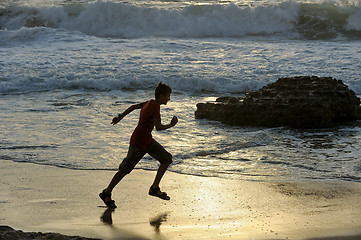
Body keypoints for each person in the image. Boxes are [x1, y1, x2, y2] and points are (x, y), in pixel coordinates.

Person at [99, 82, 178, 208]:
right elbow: (158, 127)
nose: (169, 98)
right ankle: (106, 192)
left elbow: (132, 107)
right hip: (139, 142)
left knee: (166, 159)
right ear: (161, 96)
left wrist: (120, 117)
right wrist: (171, 125)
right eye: (168, 96)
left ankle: (154, 188)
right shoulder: (155, 106)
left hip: (147, 140)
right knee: (125, 169)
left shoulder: (148, 102)